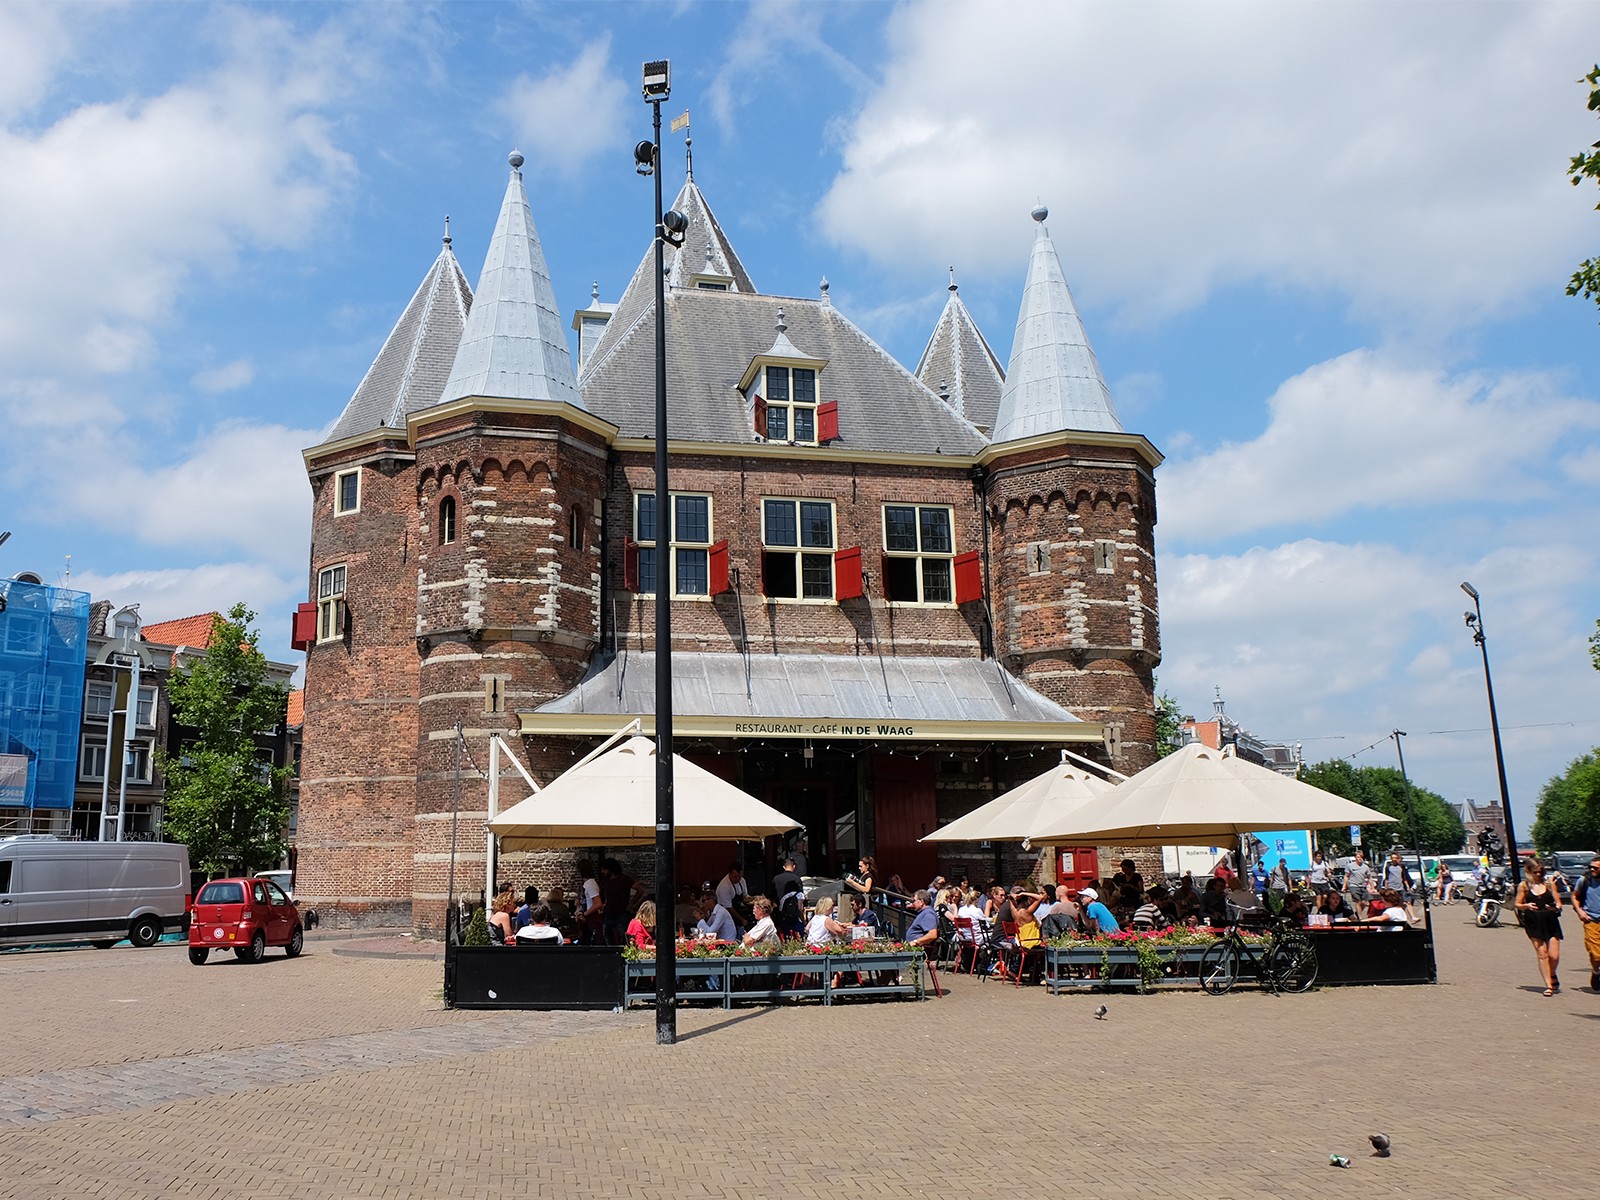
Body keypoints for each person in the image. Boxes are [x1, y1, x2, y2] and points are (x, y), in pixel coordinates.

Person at [1514, 858, 1564, 996]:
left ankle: (1552, 973)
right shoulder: (1524, 886)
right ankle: (1548, 985)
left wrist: (1555, 907)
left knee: (1554, 956)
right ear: (1529, 871)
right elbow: (1517, 904)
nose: (1538, 874)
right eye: (1535, 872)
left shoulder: (1548, 884)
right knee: (1542, 954)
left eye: (1540, 871)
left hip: (1550, 920)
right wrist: (1526, 906)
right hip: (1533, 922)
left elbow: (1559, 902)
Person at [601, 859, 644, 945]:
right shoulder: (605, 881)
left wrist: (631, 904)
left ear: (611, 869)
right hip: (608, 913)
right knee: (607, 938)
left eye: (604, 869)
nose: (602, 872)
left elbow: (640, 889)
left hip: (621, 913)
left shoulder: (624, 879)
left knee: (624, 939)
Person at [1573, 856, 1600, 992]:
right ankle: (1596, 972)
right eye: (1591, 867)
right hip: (1592, 920)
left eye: (1596, 868)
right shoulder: (1585, 880)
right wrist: (1579, 911)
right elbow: (1575, 896)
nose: (1592, 869)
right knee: (1596, 954)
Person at [772, 857, 806, 937]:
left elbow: (772, 896)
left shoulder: (776, 879)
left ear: (784, 867)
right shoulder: (796, 879)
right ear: (794, 866)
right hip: (793, 913)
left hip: (779, 912)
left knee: (782, 935)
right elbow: (800, 899)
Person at [577, 859, 604, 944]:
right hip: (588, 919)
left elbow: (598, 903)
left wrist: (584, 914)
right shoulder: (588, 883)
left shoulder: (590, 884)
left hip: (591, 919)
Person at [1380, 852, 1414, 919]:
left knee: (1408, 901)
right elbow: (1386, 878)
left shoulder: (1401, 866)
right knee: (1396, 905)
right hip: (1392, 888)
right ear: (1391, 859)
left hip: (1401, 888)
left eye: (1396, 858)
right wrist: (1386, 888)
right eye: (1393, 858)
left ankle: (1413, 917)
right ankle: (1399, 918)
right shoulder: (1388, 866)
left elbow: (1404, 877)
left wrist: (1407, 886)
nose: (1394, 859)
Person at [1343, 849, 1373, 918]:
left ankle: (1357, 912)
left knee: (1364, 902)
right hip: (1353, 885)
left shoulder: (1365, 867)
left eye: (1361, 857)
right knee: (1358, 901)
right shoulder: (1350, 866)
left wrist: (1373, 887)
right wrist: (1344, 886)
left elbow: (1369, 877)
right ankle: (1360, 917)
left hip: (1362, 886)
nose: (1360, 859)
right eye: (1358, 857)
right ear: (1355, 857)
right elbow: (1346, 876)